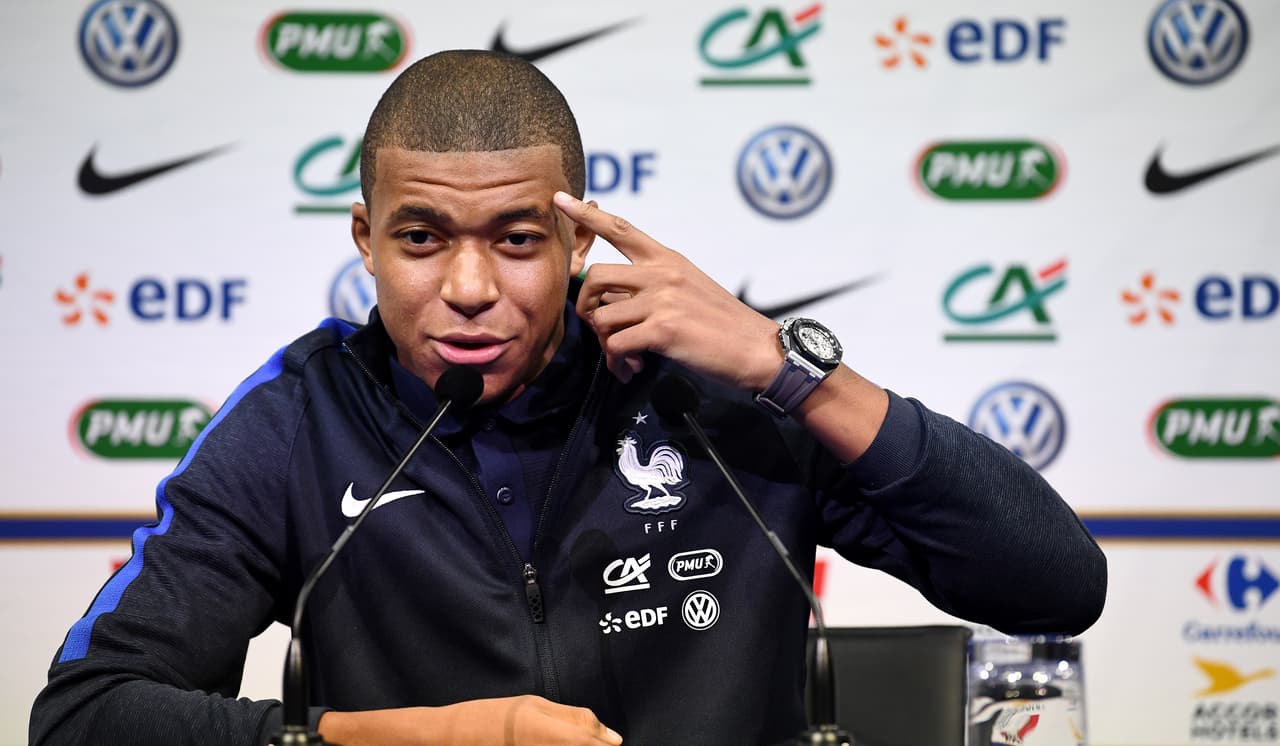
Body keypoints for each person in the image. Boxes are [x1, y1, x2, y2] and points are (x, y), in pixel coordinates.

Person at [31, 50, 1106, 745]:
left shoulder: (719, 396)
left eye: (514, 239)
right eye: (419, 238)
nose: (466, 289)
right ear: (365, 240)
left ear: (578, 242)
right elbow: (84, 715)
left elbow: (1055, 582)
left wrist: (789, 365)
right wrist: (414, 737)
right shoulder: (298, 417)